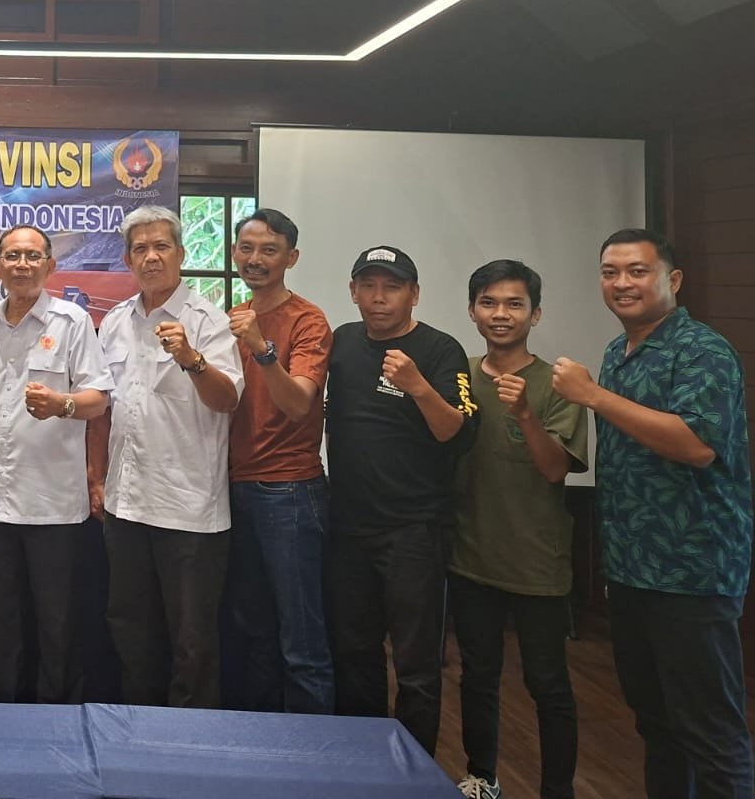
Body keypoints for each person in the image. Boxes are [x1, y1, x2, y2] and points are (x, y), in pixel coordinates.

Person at [552, 229, 752, 799]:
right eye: (610, 272)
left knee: (711, 734)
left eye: (637, 271)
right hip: (633, 570)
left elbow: (697, 444)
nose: (622, 283)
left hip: (692, 573)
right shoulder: (619, 351)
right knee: (657, 725)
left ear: (673, 279)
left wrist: (593, 396)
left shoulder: (702, 350)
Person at [326, 245, 476, 755]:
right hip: (347, 525)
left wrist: (417, 386)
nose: (379, 298)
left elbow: (454, 432)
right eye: (368, 286)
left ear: (414, 294)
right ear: (353, 292)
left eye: (391, 287)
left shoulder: (440, 349)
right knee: (353, 652)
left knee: (415, 663)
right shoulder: (343, 341)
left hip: (414, 529)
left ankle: (413, 770)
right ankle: (363, 760)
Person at [90, 205, 242, 707]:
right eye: (141, 249)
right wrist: (97, 478)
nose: (151, 257)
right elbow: (103, 408)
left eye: (161, 247)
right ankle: (136, 732)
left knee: (191, 641)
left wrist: (191, 360)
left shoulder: (208, 320)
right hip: (126, 504)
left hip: (188, 509)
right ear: (127, 260)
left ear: (180, 253)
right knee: (130, 630)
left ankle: (188, 742)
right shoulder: (115, 322)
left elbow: (227, 400)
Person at [451, 260, 587, 799]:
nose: (500, 314)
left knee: (548, 684)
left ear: (536, 313)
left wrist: (526, 414)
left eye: (514, 304)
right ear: (471, 311)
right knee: (478, 675)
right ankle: (481, 778)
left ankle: (558, 790)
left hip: (537, 563)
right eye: (488, 303)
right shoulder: (458, 374)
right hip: (470, 556)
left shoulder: (558, 383)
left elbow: (555, 470)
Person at [0, 224, 112, 704]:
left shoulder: (72, 322)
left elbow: (99, 399)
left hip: (54, 503)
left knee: (58, 622)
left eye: (32, 256)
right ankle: (0, 715)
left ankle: (59, 717)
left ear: (50, 265)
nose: (22, 265)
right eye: (12, 256)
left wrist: (62, 404)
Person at [223, 207, 335, 714]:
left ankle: (313, 751)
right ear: (233, 254)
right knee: (251, 630)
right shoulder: (230, 316)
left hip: (289, 490)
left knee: (301, 639)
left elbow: (299, 404)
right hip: (233, 487)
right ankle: (262, 741)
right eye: (247, 248)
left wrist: (261, 349)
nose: (255, 259)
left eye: (269, 250)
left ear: (291, 258)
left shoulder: (308, 320)